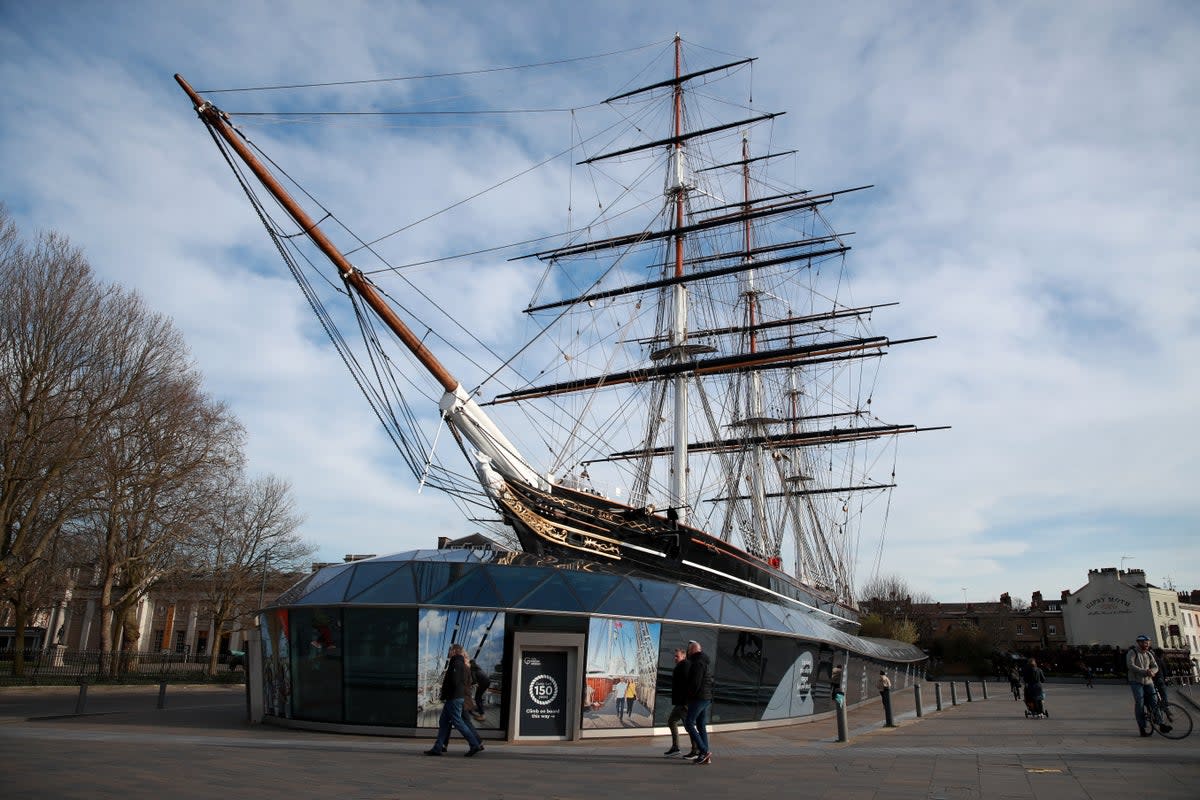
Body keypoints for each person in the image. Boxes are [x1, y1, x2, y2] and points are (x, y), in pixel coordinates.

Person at [424, 643, 485, 756]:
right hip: (453, 698)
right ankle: (437, 748)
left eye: (451, 650)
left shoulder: (456, 663)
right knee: (443, 722)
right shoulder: (460, 663)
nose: (449, 652)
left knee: (458, 722)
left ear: (455, 651)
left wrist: (446, 691)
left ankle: (474, 744)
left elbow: (455, 682)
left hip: (454, 698)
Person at [1127, 635, 1166, 736]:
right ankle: (1142, 727)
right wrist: (1145, 671)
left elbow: (1155, 666)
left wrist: (1152, 671)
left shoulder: (1149, 654)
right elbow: (1130, 665)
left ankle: (1161, 724)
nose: (1147, 644)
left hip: (1148, 681)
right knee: (1140, 702)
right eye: (1145, 642)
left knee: (1154, 701)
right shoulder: (1133, 652)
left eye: (1148, 642)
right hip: (1136, 681)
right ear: (1139, 643)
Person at [683, 640, 714, 765]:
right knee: (701, 724)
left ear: (692, 650)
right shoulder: (703, 661)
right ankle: (704, 755)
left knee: (689, 723)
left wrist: (689, 695)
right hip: (705, 697)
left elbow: (695, 683)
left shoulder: (697, 663)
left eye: (689, 650)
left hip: (699, 697)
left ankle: (705, 751)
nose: (687, 652)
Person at [663, 648, 691, 757]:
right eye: (674, 656)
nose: (674, 658)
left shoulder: (685, 666)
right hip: (680, 701)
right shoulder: (681, 666)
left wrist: (685, 701)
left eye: (677, 656)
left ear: (683, 657)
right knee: (672, 721)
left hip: (684, 702)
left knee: (688, 726)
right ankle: (676, 747)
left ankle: (696, 749)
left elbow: (687, 684)